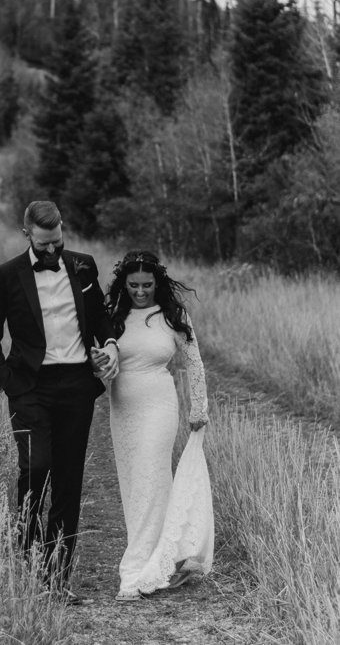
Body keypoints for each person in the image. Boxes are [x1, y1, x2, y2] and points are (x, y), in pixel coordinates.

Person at [0, 200, 119, 603]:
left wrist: (108, 343)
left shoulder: (83, 265)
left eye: (57, 242)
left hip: (76, 385)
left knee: (69, 481)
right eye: (44, 246)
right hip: (30, 389)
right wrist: (6, 381)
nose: (53, 252)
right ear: (27, 236)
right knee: (35, 469)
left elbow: (101, 317)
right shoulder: (7, 275)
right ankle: (29, 562)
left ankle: (55, 582)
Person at [99, 249, 213, 601]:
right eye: (133, 285)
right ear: (124, 284)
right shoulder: (114, 316)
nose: (140, 291)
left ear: (157, 282)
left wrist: (200, 408)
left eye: (147, 285)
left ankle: (135, 572)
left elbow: (194, 363)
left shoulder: (173, 316)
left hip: (160, 408)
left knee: (151, 475)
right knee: (136, 487)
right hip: (123, 411)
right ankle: (163, 557)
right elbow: (100, 358)